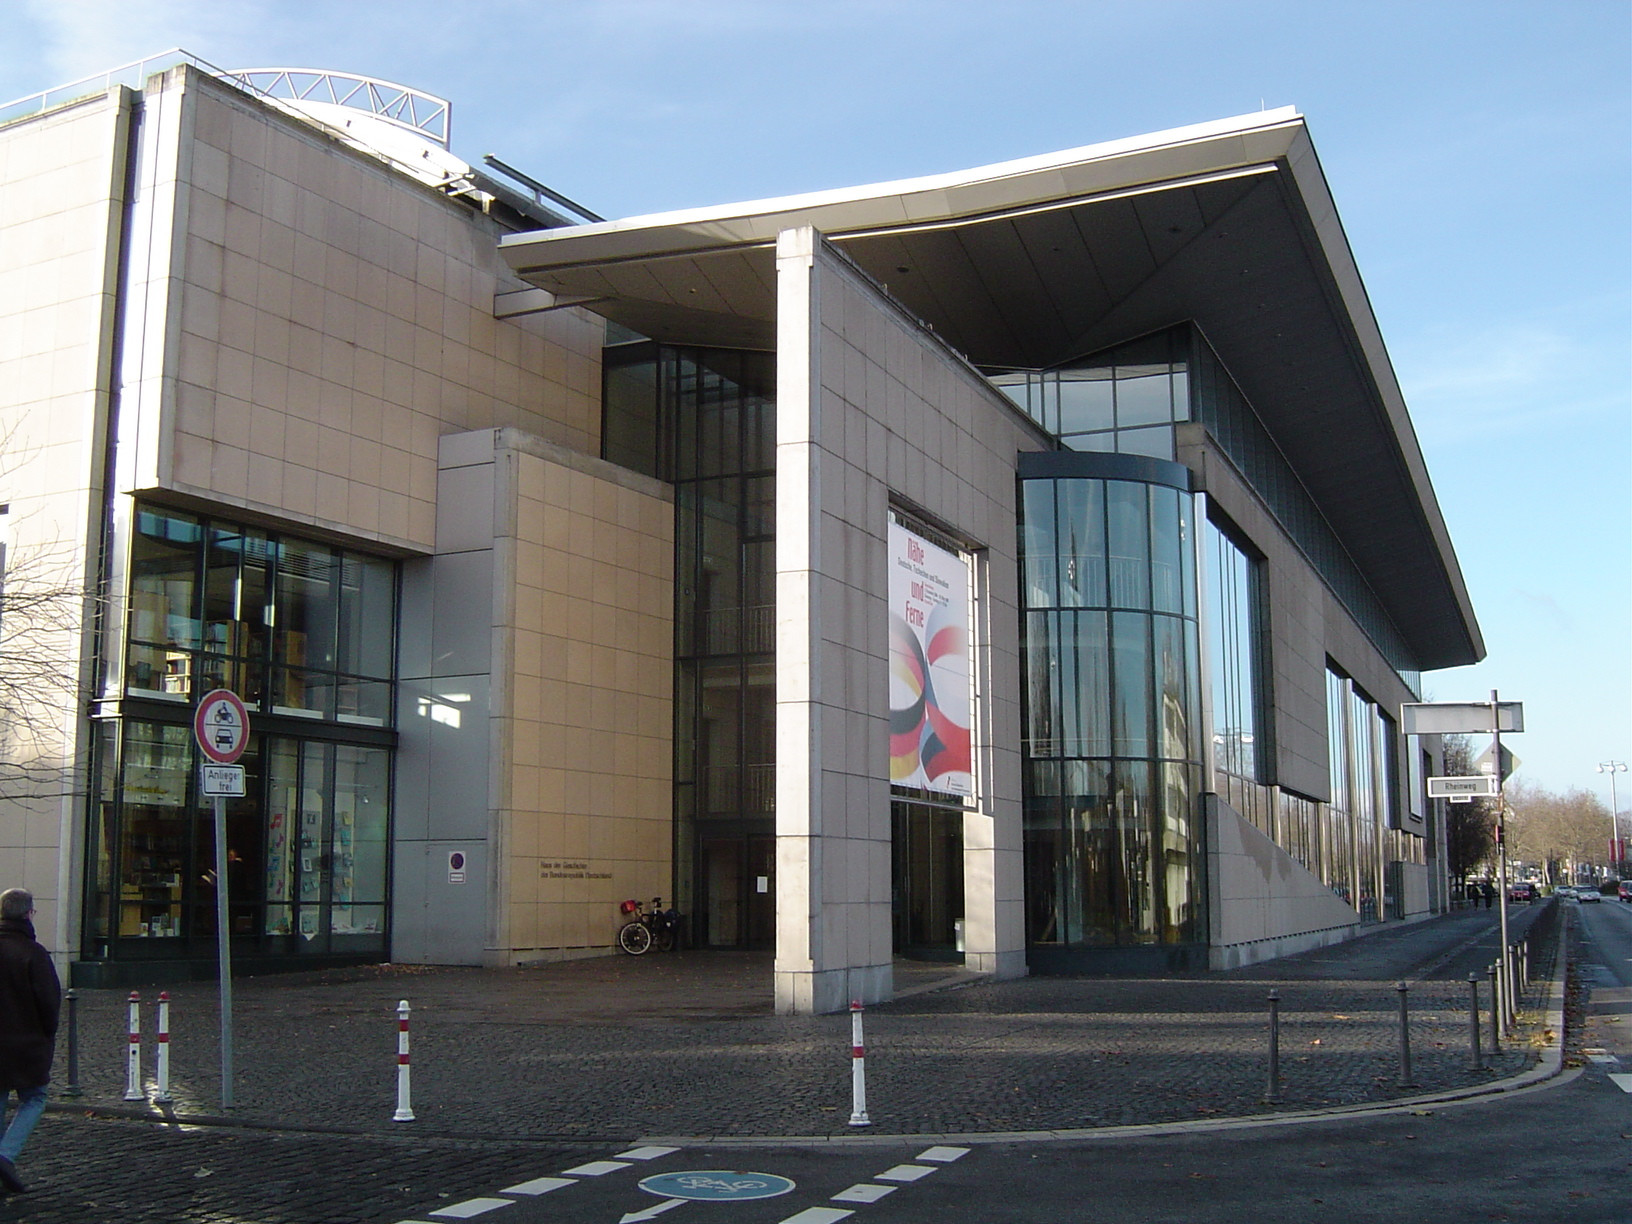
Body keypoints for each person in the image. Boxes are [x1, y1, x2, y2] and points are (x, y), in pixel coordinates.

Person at [0, 889, 60, 1193]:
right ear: (28, 914)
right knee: (34, 1098)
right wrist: (48, 1034)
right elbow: (49, 1002)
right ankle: (5, 1155)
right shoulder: (33, 953)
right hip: (26, 1043)